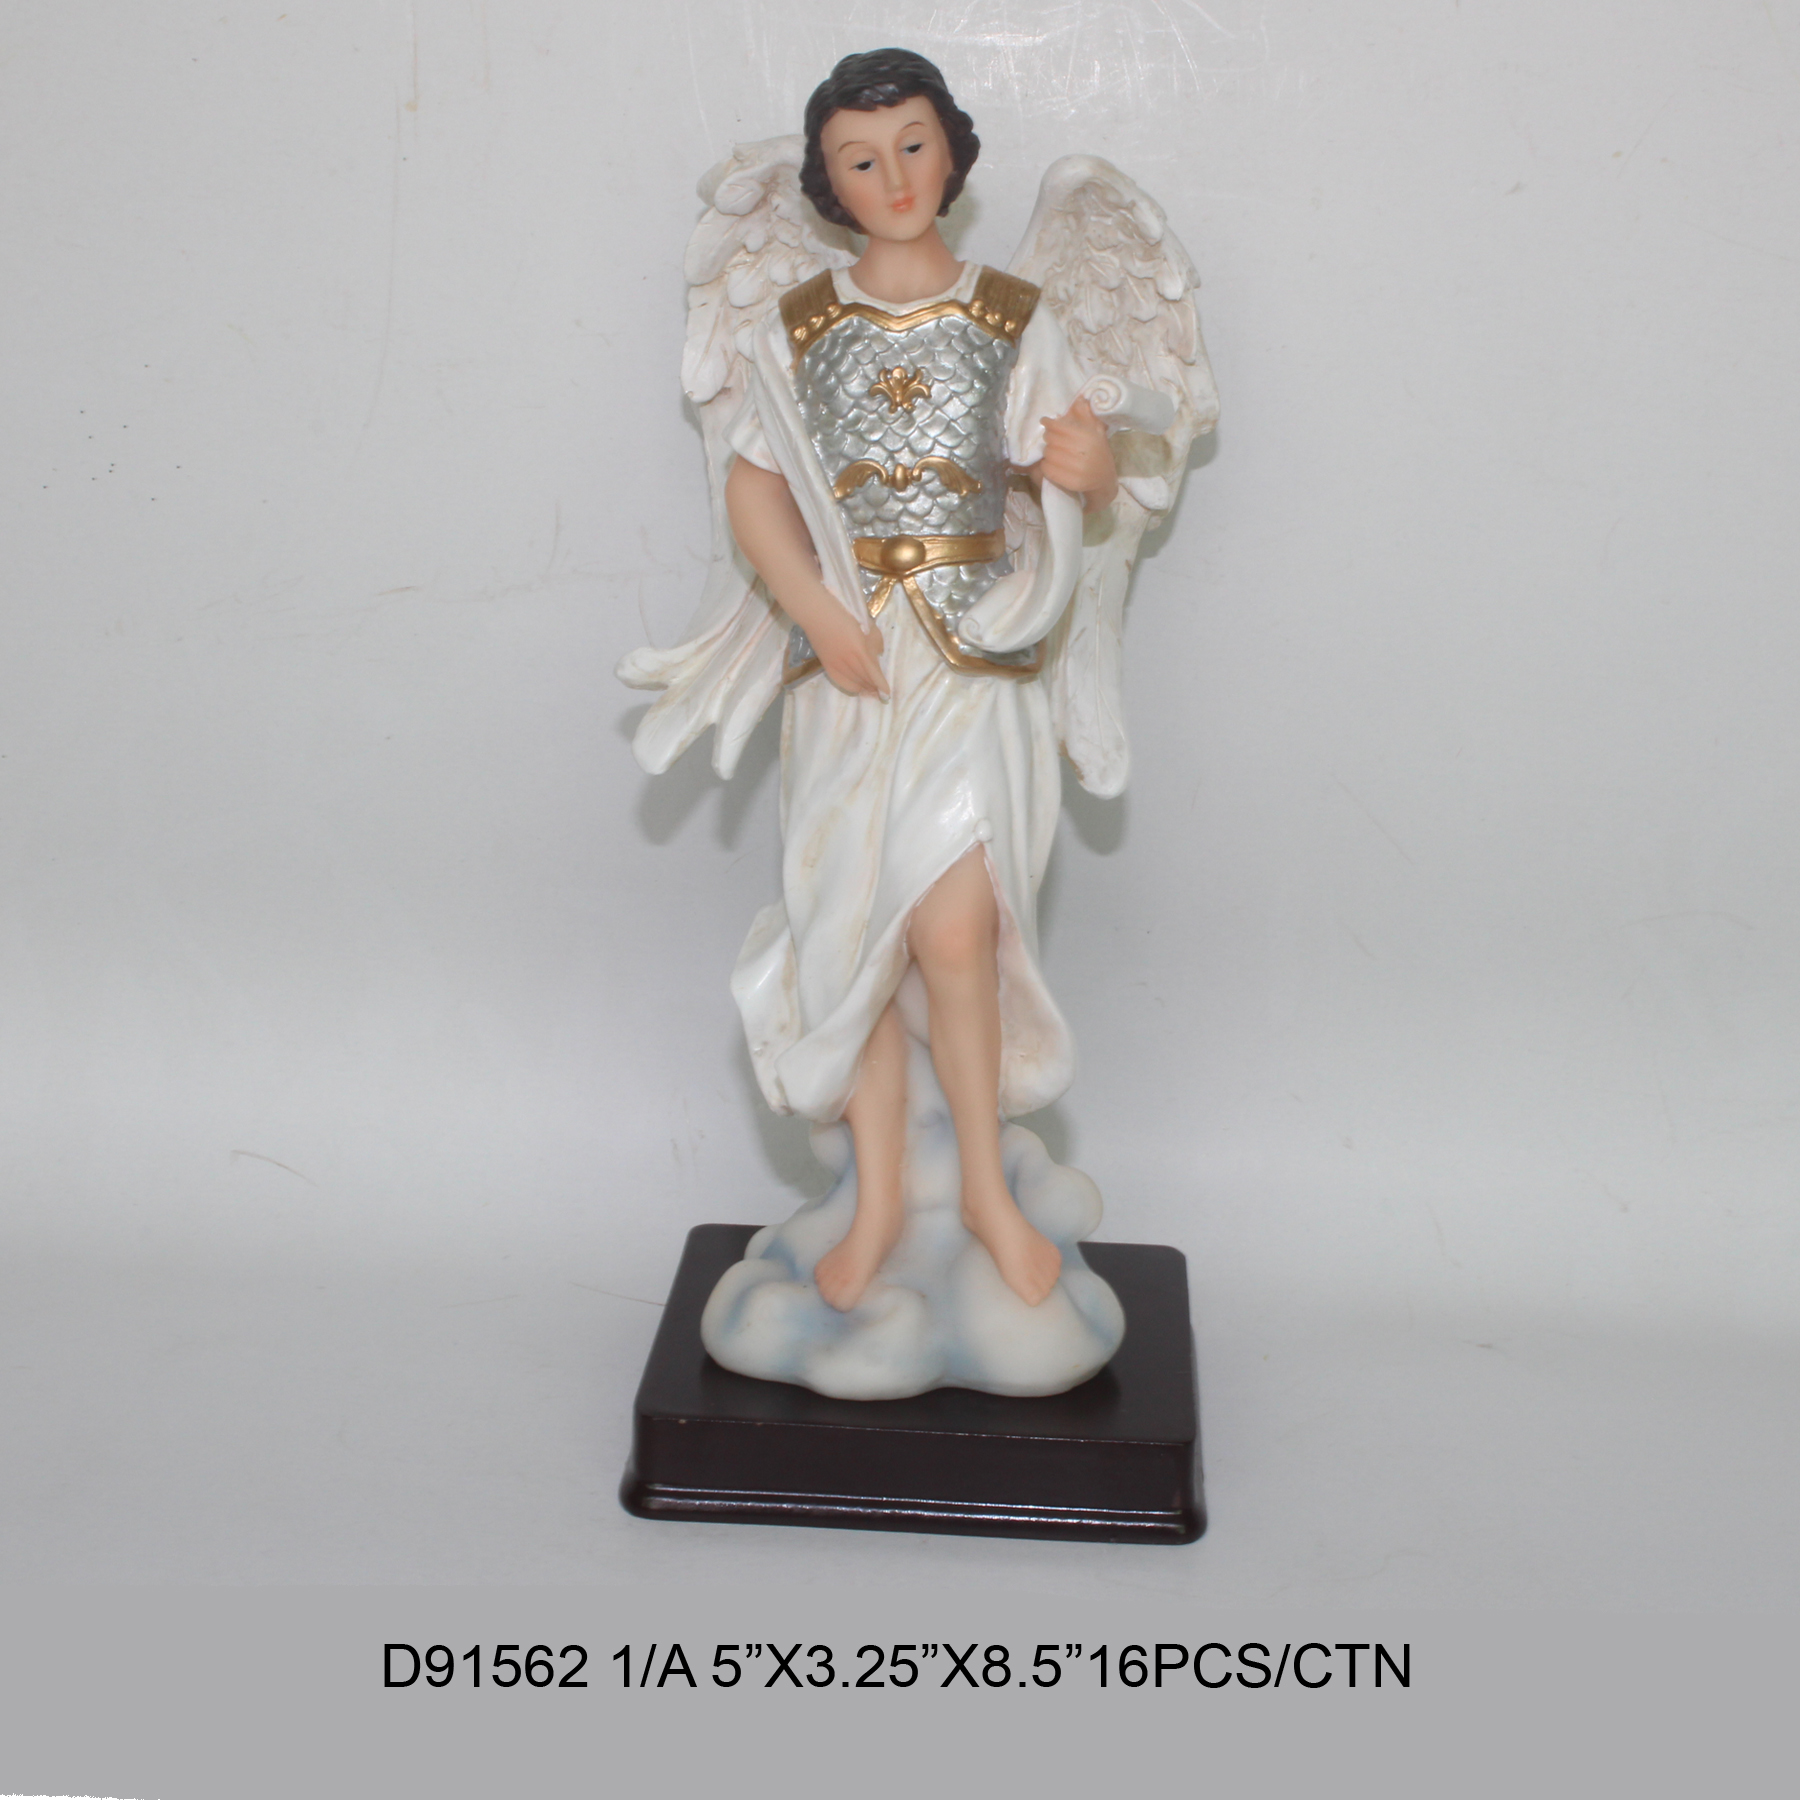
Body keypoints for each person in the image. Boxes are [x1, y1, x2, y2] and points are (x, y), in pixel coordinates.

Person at [714, 49, 1120, 1314]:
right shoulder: (797, 325)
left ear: (951, 151)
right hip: (852, 666)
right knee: (855, 946)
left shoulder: (1013, 315)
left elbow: (1074, 467)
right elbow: (752, 486)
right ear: (827, 182)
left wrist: (1091, 469)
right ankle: (881, 1197)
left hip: (975, 648)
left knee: (954, 929)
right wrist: (815, 610)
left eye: (911, 146)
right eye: (860, 158)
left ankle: (989, 1191)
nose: (892, 177)